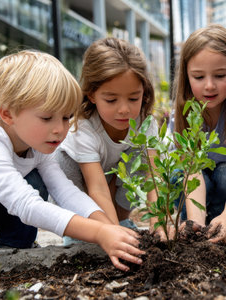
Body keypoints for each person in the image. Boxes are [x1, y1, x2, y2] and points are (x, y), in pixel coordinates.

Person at [0, 50, 144, 271]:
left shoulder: (39, 146)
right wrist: (99, 233)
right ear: (7, 114)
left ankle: (12, 251)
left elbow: (65, 191)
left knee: (34, 180)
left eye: (66, 117)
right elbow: (25, 205)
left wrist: (110, 227)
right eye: (46, 118)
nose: (60, 129)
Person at [57, 37, 159, 237]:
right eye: (111, 100)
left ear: (144, 93)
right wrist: (114, 235)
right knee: (62, 163)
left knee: (141, 157)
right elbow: (97, 189)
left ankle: (121, 220)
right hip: (82, 182)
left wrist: (159, 222)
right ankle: (85, 228)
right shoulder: (84, 129)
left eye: (133, 98)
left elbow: (154, 178)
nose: (124, 109)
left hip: (110, 172)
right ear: (92, 94)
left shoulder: (145, 124)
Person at [171, 24, 226, 243]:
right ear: (187, 76)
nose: (209, 86)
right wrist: (196, 222)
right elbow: (191, 172)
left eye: (220, 75)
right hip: (194, 186)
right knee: (178, 175)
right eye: (199, 77)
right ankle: (195, 224)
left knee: (225, 174)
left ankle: (223, 222)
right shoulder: (184, 114)